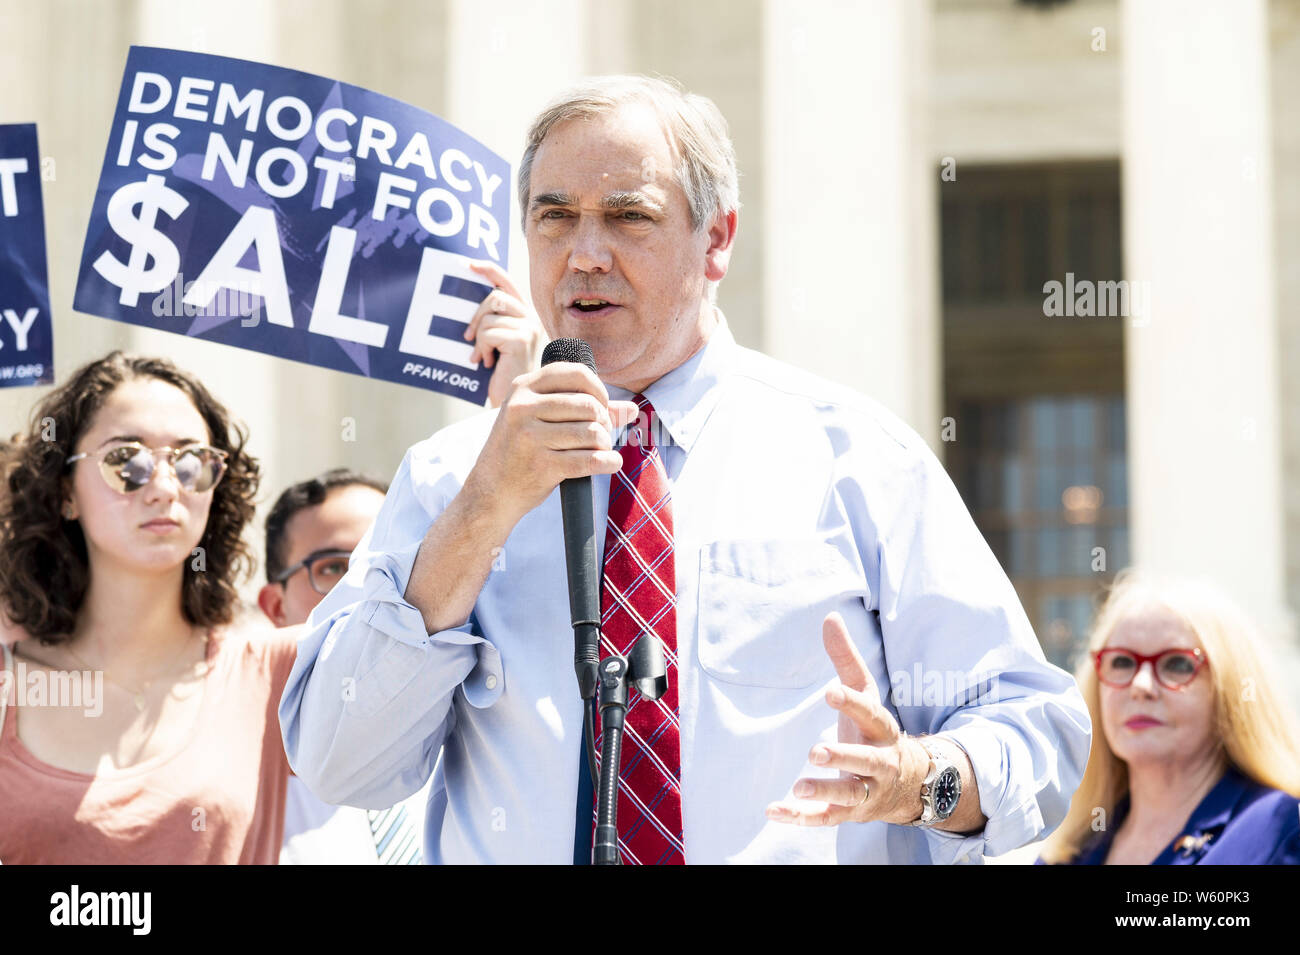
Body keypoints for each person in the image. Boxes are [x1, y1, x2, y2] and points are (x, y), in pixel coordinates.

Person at [280, 74, 1091, 864]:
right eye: (553, 217)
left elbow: (1037, 730)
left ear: (718, 238)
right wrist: (482, 512)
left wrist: (917, 781)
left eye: (628, 216)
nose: (584, 255)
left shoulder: (859, 460)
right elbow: (337, 761)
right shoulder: (448, 478)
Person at [0, 351, 292, 863]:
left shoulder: (277, 670)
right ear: (66, 491)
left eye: (190, 462)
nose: (163, 488)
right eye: (125, 461)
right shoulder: (8, 683)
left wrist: (488, 424)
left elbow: (444, 649)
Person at [1037, 571, 1300, 865]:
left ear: (1230, 690)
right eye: (1122, 662)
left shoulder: (1283, 829)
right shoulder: (1068, 851)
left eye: (1177, 664)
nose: (1141, 686)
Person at [258, 468, 428, 864]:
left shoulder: (478, 744)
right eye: (334, 568)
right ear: (276, 606)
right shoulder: (231, 796)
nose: (369, 588)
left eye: (389, 562)